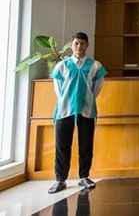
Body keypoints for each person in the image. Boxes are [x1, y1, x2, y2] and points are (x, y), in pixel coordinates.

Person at [48, 32, 107, 194]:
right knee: (62, 145)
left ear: (87, 45)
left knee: (86, 144)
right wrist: (66, 102)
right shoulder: (62, 66)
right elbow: (58, 89)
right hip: (64, 110)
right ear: (72, 45)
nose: (79, 47)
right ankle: (60, 180)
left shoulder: (96, 66)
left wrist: (86, 100)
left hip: (86, 109)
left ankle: (84, 177)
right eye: (76, 43)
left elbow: (97, 88)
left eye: (82, 43)